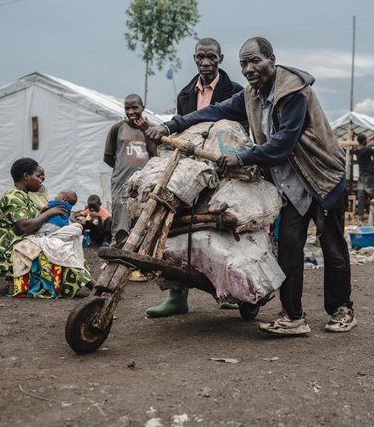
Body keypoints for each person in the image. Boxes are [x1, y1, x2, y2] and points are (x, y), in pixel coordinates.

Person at [148, 37, 356, 335]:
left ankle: (342, 310)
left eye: (255, 61)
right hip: (294, 187)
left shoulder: (293, 93)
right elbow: (214, 111)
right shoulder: (251, 96)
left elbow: (282, 144)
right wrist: (173, 125)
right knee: (289, 248)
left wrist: (241, 159)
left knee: (333, 249)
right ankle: (293, 317)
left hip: (323, 179)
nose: (248, 68)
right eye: (244, 63)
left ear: (272, 59)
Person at [146, 37, 244, 318]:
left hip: (223, 166)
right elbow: (183, 128)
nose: (206, 61)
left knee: (222, 226)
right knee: (177, 224)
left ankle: (232, 292)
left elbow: (241, 129)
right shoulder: (186, 94)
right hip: (191, 168)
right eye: (201, 56)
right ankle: (177, 295)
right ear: (194, 58)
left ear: (220, 58)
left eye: (211, 56)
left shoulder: (234, 91)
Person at [0, 158, 94, 298]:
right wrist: (50, 213)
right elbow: (23, 227)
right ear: (26, 176)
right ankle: (93, 286)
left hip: (28, 240)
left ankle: (89, 283)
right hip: (12, 246)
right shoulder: (13, 196)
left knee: (67, 240)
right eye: (37, 176)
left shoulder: (25, 196)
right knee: (59, 247)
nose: (41, 180)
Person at [104, 94, 157, 247]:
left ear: (143, 107)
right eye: (127, 108)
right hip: (121, 184)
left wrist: (146, 131)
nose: (131, 111)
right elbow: (108, 157)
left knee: (142, 221)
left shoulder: (152, 128)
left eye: (135, 107)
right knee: (121, 224)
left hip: (145, 184)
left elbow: (156, 154)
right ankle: (118, 254)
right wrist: (123, 169)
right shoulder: (117, 128)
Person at [354, 130, 374, 222]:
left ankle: (360, 217)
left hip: (361, 177)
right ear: (364, 141)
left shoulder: (357, 149)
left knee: (361, 198)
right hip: (369, 176)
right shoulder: (367, 149)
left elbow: (367, 141)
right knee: (373, 198)